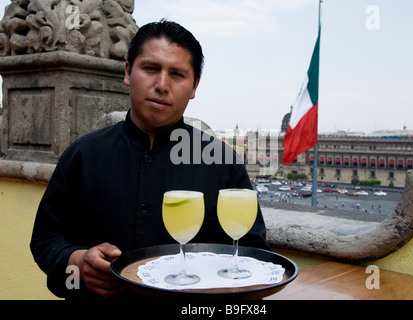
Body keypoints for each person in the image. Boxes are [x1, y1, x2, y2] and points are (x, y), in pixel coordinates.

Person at [30, 19, 269, 300]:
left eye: (177, 74)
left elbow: (252, 250)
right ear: (129, 72)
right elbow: (46, 238)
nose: (162, 84)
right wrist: (79, 262)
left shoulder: (221, 160)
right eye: (151, 69)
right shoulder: (83, 154)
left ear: (194, 86)